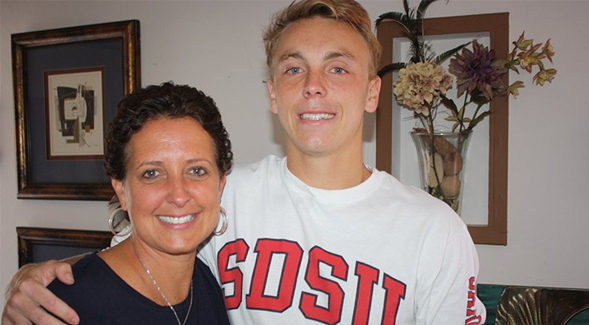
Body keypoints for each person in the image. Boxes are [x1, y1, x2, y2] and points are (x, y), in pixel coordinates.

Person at [2, 1, 486, 324]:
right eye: (294, 68)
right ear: (274, 94)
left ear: (372, 91)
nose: (313, 84)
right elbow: (129, 266)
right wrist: (41, 277)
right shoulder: (213, 197)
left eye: (338, 68)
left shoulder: (434, 230)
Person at [22, 82, 233, 325]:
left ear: (220, 184)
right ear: (121, 191)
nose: (178, 195)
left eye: (196, 170)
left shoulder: (208, 284)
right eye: (152, 173)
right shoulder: (65, 305)